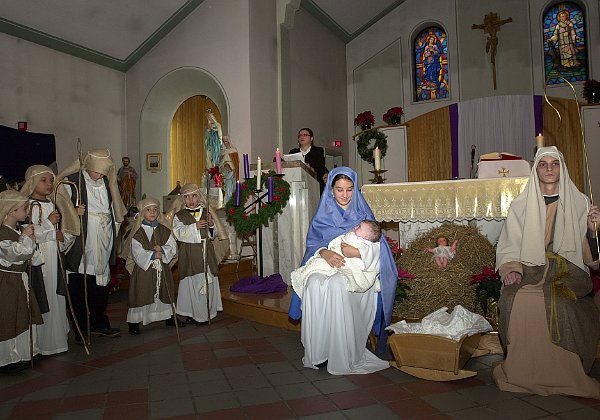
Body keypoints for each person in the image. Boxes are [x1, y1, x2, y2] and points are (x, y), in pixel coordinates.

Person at [492, 146, 600, 398]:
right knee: (514, 298)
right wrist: (511, 269)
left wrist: (592, 231)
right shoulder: (520, 204)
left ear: (562, 168)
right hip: (530, 268)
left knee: (558, 302)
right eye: (543, 164)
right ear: (536, 169)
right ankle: (520, 372)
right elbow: (509, 245)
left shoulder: (581, 201)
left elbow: (592, 261)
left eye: (555, 164)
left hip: (567, 270)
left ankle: (565, 374)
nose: (549, 169)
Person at [288, 167, 397, 375]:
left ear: (355, 189)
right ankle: (318, 352)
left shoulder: (363, 215)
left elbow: (377, 246)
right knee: (312, 284)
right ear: (331, 190)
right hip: (327, 263)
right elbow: (313, 244)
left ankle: (341, 352)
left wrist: (355, 253)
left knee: (336, 285)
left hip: (356, 272)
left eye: (349, 189)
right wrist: (324, 253)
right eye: (339, 189)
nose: (345, 195)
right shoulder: (322, 217)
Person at [58, 149, 127, 339]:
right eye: (97, 172)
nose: (100, 175)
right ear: (87, 166)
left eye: (103, 172)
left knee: (101, 281)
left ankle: (98, 322)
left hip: (104, 235)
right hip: (84, 238)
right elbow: (57, 197)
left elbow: (115, 208)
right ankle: (81, 327)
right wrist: (73, 210)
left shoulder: (108, 181)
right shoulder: (73, 181)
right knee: (81, 283)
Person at [20, 165, 78, 355]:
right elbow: (28, 234)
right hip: (41, 259)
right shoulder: (29, 206)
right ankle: (42, 344)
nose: (49, 184)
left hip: (54, 256)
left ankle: (56, 341)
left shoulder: (51, 204)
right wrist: (49, 225)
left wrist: (62, 237)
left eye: (51, 180)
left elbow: (57, 234)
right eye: (43, 180)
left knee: (56, 296)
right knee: (43, 296)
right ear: (32, 182)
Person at [168, 183, 228, 324]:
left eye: (194, 196)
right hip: (190, 254)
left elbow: (213, 235)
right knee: (192, 284)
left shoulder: (207, 212)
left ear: (199, 197)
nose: (191, 200)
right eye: (187, 197)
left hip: (206, 251)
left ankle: (207, 312)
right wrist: (194, 227)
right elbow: (178, 233)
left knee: (207, 281)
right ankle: (192, 313)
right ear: (183, 199)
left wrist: (212, 225)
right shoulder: (179, 215)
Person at [0, 190, 42, 372]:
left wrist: (29, 239)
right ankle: (7, 358)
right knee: (9, 316)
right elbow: (16, 254)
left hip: (19, 279)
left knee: (22, 314)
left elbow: (31, 254)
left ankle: (25, 352)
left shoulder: (16, 230)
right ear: (10, 211)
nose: (27, 211)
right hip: (7, 281)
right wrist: (26, 237)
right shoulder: (3, 233)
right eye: (24, 208)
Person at [123, 198, 178, 335]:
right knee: (141, 293)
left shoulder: (164, 230)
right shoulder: (138, 232)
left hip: (161, 269)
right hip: (144, 271)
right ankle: (134, 322)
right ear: (142, 213)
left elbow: (173, 246)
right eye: (148, 210)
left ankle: (169, 317)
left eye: (155, 209)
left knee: (164, 292)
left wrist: (164, 250)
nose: (152, 212)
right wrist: (152, 255)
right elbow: (136, 251)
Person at [291, 220, 381, 298]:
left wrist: (358, 253)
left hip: (350, 268)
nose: (355, 227)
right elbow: (315, 242)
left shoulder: (364, 218)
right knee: (313, 281)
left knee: (336, 283)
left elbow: (378, 247)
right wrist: (323, 251)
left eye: (359, 227)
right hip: (330, 258)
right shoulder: (322, 216)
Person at [288, 128, 328, 193]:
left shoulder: (318, 151)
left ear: (311, 138)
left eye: (305, 135)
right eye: (300, 135)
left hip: (315, 185)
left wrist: (310, 168)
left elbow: (321, 168)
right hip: (297, 184)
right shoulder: (293, 152)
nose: (302, 137)